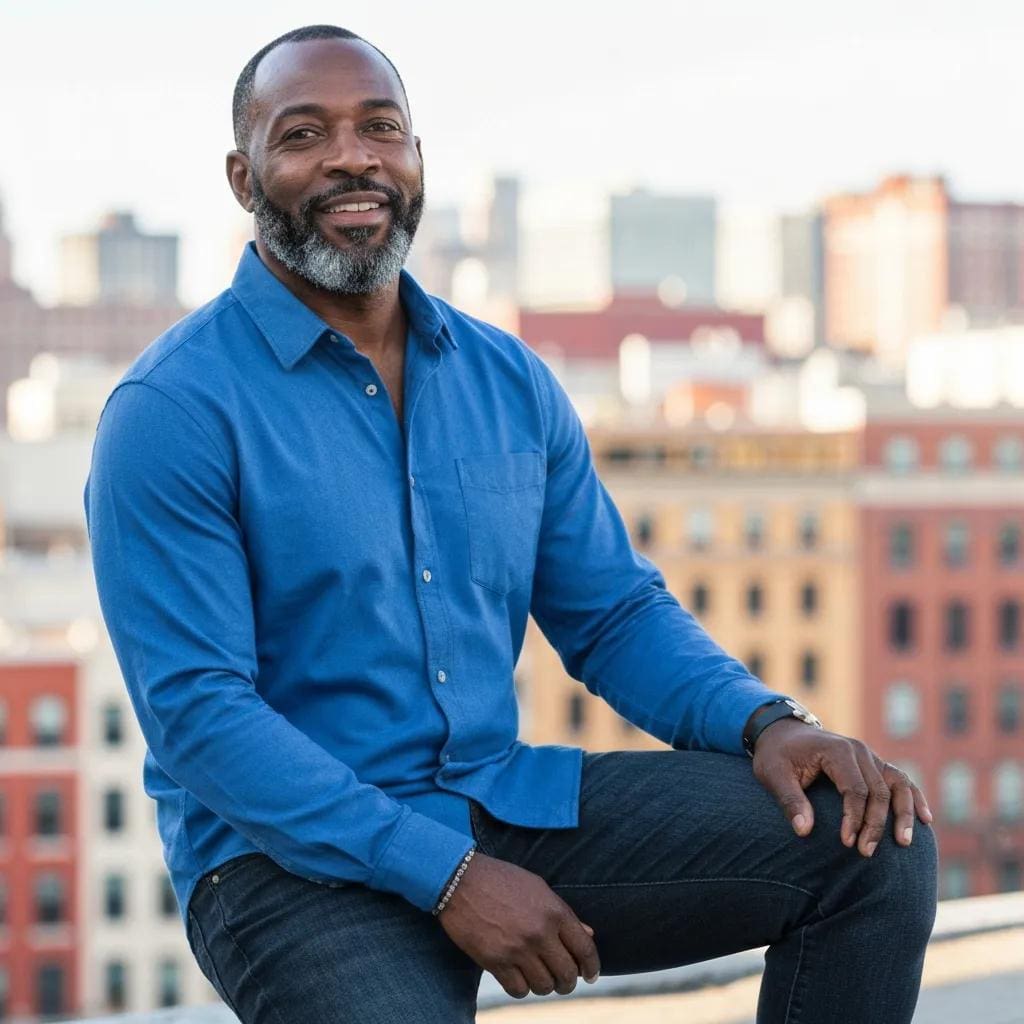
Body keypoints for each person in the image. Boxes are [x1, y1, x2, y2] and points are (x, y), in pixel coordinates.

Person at [83, 24, 938, 1024]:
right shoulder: (172, 411)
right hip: (282, 865)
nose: (352, 156)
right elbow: (200, 716)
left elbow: (612, 613)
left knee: (871, 844)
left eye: (381, 128)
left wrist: (767, 722)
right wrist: (445, 877)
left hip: (501, 803)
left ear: (416, 160)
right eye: (304, 134)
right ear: (244, 176)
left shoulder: (505, 379)